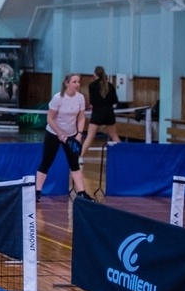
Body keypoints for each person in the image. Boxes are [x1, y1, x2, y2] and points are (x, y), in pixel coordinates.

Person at [35, 73, 92, 202]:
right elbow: (50, 118)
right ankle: (37, 191)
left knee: (74, 163)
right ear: (67, 83)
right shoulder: (58, 98)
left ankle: (82, 193)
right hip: (54, 133)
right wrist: (60, 134)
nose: (77, 84)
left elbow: (81, 117)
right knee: (46, 162)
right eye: (74, 82)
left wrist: (79, 134)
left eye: (78, 82)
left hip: (71, 134)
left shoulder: (80, 98)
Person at [84, 66, 121, 146]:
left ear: (95, 74)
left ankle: (80, 156)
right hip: (109, 113)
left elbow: (92, 101)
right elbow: (115, 100)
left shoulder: (92, 85)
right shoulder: (110, 86)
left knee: (90, 136)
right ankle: (123, 155)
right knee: (114, 136)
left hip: (97, 114)